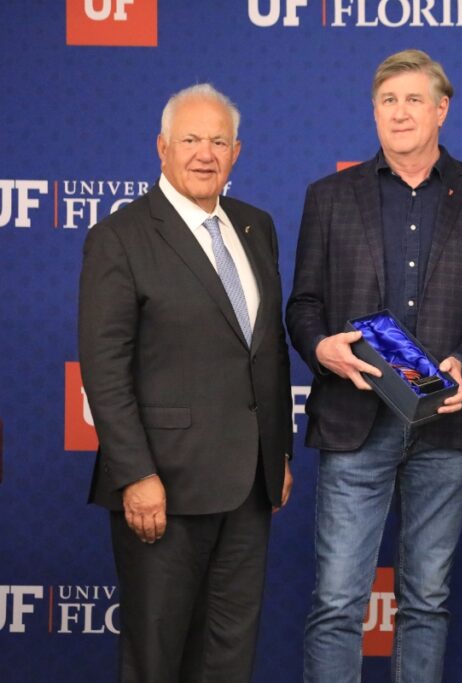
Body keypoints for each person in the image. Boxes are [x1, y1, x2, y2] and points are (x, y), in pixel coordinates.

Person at [286, 49, 462, 683]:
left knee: (427, 603)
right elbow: (302, 304)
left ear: (442, 110)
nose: (400, 112)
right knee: (336, 602)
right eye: (388, 100)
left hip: (445, 425)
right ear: (374, 111)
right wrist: (321, 349)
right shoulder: (329, 196)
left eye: (415, 99)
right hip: (354, 419)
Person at [78, 83, 294, 682]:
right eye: (191, 140)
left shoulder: (257, 227)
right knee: (158, 657)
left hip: (250, 489)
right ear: (162, 148)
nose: (206, 153)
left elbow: (266, 350)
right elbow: (104, 368)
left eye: (218, 141)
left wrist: (276, 452)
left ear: (238, 152)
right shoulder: (119, 237)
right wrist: (136, 474)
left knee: (229, 654)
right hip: (162, 490)